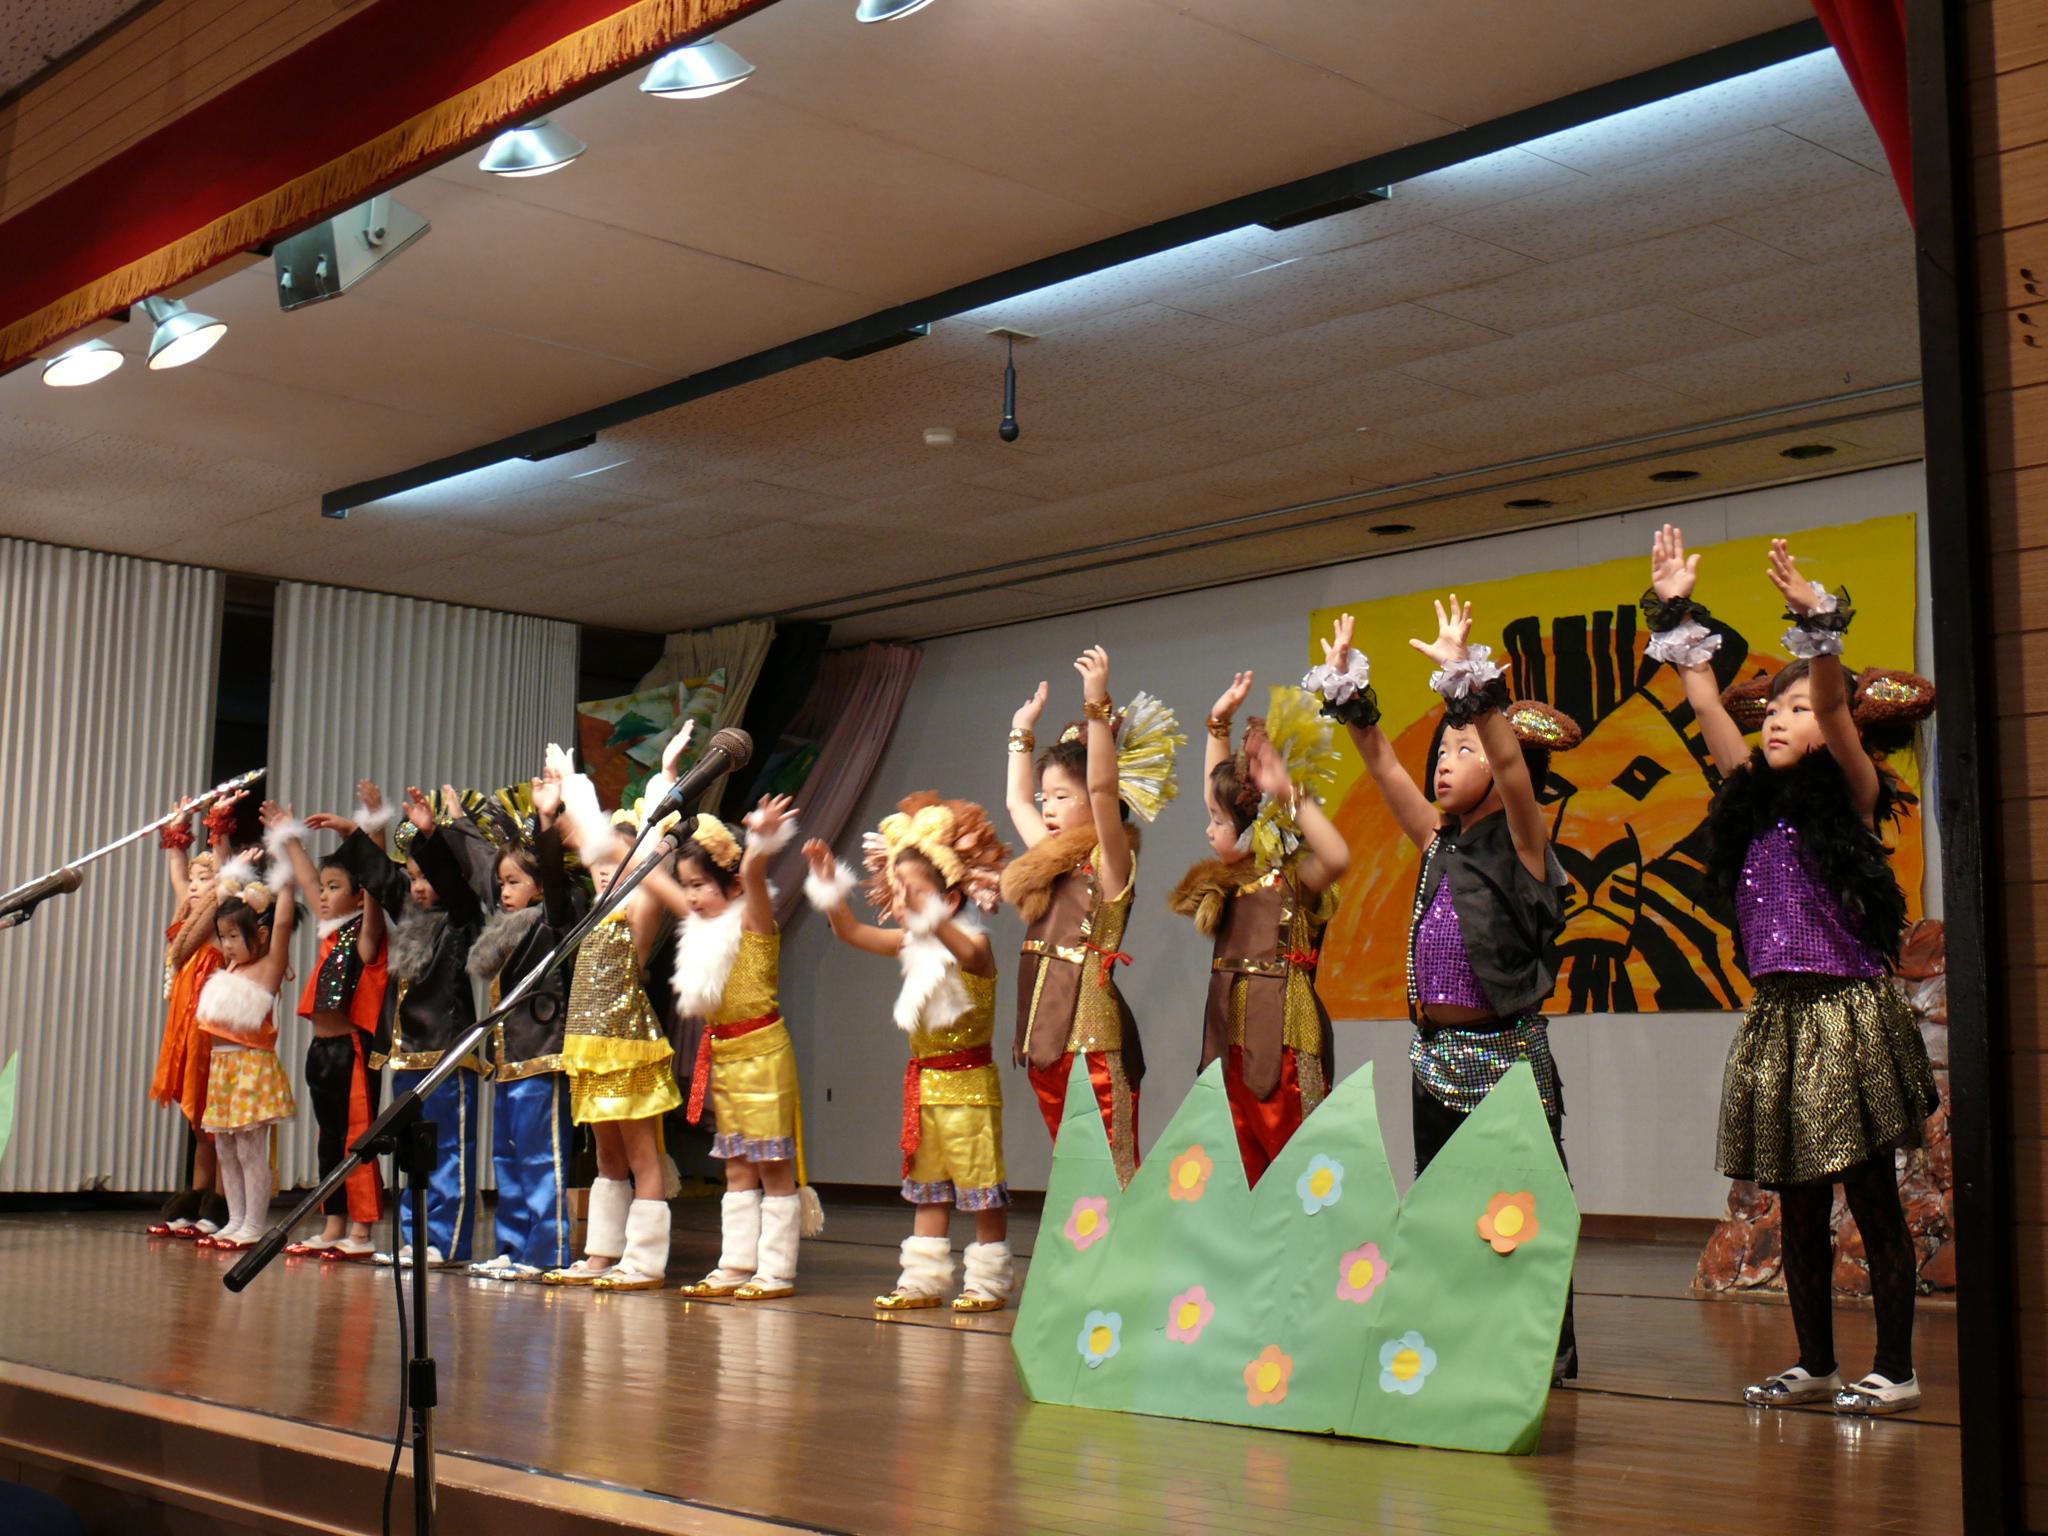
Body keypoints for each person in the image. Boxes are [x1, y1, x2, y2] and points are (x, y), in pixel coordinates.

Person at [1646, 526, 1939, 1416]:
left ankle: (1896, 1367)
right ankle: (1814, 1363)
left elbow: (1840, 714)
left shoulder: (1852, 789)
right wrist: (1675, 612)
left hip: (1847, 1014)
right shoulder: (1752, 796)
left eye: (1797, 708)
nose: (1778, 717)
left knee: (1870, 1199)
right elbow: (1706, 704)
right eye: (1772, 708)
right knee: (1799, 1205)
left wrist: (1820, 632)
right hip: (1778, 1017)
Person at [1308, 598, 1583, 1381]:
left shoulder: (1524, 841)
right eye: (1443, 749)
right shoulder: (1436, 841)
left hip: (1506, 1060)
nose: (1445, 761)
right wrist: (1348, 694)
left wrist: (1470, 682)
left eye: (1464, 750)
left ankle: (1544, 1349)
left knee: (1522, 1208)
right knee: (1440, 1209)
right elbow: (1384, 766)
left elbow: (1512, 770)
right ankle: (1455, 1340)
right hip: (1435, 1058)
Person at [802, 793, 1015, 1311]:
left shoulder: (975, 947)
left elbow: (964, 950)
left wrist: (932, 917)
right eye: (897, 890)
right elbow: (849, 931)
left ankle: (987, 1281)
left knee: (981, 1189)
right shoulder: (909, 944)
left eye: (913, 891)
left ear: (951, 900)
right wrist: (829, 884)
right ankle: (922, 1281)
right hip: (926, 1087)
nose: (901, 901)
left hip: (970, 1089)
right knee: (929, 1188)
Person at [1000, 647, 1182, 1186]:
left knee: (1113, 1170)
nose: (1047, 807)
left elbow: (1104, 790)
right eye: (1046, 796)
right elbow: (1015, 804)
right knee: (1072, 1172)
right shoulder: (1051, 859)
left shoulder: (1110, 860)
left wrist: (1096, 707)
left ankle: (1127, 1243)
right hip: (1044, 1041)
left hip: (1093, 1043)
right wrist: (1020, 731)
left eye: (1062, 795)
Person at [1169, 679, 1348, 1184]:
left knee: (1295, 1167)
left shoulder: (1293, 878)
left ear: (1251, 825)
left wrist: (1287, 791)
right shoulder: (1230, 882)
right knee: (1237, 1170)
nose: (1208, 829)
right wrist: (1218, 724)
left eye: (1217, 820)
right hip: (1229, 1046)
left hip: (1285, 1044)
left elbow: (1337, 856)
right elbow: (1222, 791)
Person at [309, 781, 491, 1268]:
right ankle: (414, 1239)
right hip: (406, 1055)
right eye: (413, 877)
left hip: (446, 1055)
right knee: (413, 1154)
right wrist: (353, 831)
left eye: (426, 876)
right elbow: (382, 879)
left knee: (447, 1150)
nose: (418, 887)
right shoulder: (410, 916)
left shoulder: (461, 920)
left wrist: (432, 838)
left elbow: (455, 886)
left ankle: (446, 1244)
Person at [538, 748, 685, 1291]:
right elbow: (578, 842)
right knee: (606, 1154)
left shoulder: (641, 907)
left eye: (614, 864)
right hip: (589, 1047)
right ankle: (602, 1253)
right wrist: (561, 796)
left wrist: (664, 778)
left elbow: (651, 858)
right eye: (598, 866)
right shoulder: (593, 913)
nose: (603, 872)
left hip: (628, 1044)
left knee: (643, 1154)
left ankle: (644, 1260)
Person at [668, 794, 824, 1301]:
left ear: (732, 884)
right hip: (727, 1059)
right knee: (736, 1166)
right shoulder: (704, 930)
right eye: (686, 886)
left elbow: (754, 873)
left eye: (699, 885)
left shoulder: (754, 921)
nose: (690, 897)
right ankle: (735, 1263)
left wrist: (759, 842)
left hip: (762, 1056)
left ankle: (775, 1270)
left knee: (772, 1165)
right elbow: (652, 881)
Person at [465, 785, 583, 1280]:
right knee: (508, 1157)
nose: (504, 892)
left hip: (541, 1056)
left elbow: (555, 877)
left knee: (540, 1158)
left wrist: (546, 819)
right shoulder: (506, 930)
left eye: (514, 881)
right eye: (501, 883)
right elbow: (476, 870)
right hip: (508, 1061)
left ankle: (546, 1250)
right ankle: (512, 1247)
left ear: (538, 884)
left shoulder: (553, 921)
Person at [266, 806, 387, 1260]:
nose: (322, 894)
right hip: (321, 1050)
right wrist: (289, 836)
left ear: (359, 897)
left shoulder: (366, 936)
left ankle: (361, 1229)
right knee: (329, 1141)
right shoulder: (330, 935)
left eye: (334, 888)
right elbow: (307, 879)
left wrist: (370, 830)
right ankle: (334, 1222)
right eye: (323, 887)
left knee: (358, 1137)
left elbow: (376, 881)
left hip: (352, 1049)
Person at [144, 791, 242, 1238]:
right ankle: (197, 1194)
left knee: (213, 1117)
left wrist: (218, 824)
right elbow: (176, 869)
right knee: (197, 1123)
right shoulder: (187, 922)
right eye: (195, 879)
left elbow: (226, 871)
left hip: (209, 1030)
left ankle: (220, 1202)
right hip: (182, 1029)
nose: (197, 884)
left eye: (206, 878)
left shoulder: (219, 923)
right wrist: (178, 828)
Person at [193, 849, 299, 1251]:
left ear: (261, 935)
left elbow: (284, 922)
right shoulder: (230, 966)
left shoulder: (268, 966)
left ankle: (254, 1223)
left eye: (235, 936)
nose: (227, 944)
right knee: (225, 1147)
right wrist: (227, 861)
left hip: (251, 1066)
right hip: (222, 1068)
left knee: (250, 1150)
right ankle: (235, 1219)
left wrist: (286, 877)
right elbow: (222, 900)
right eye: (224, 937)